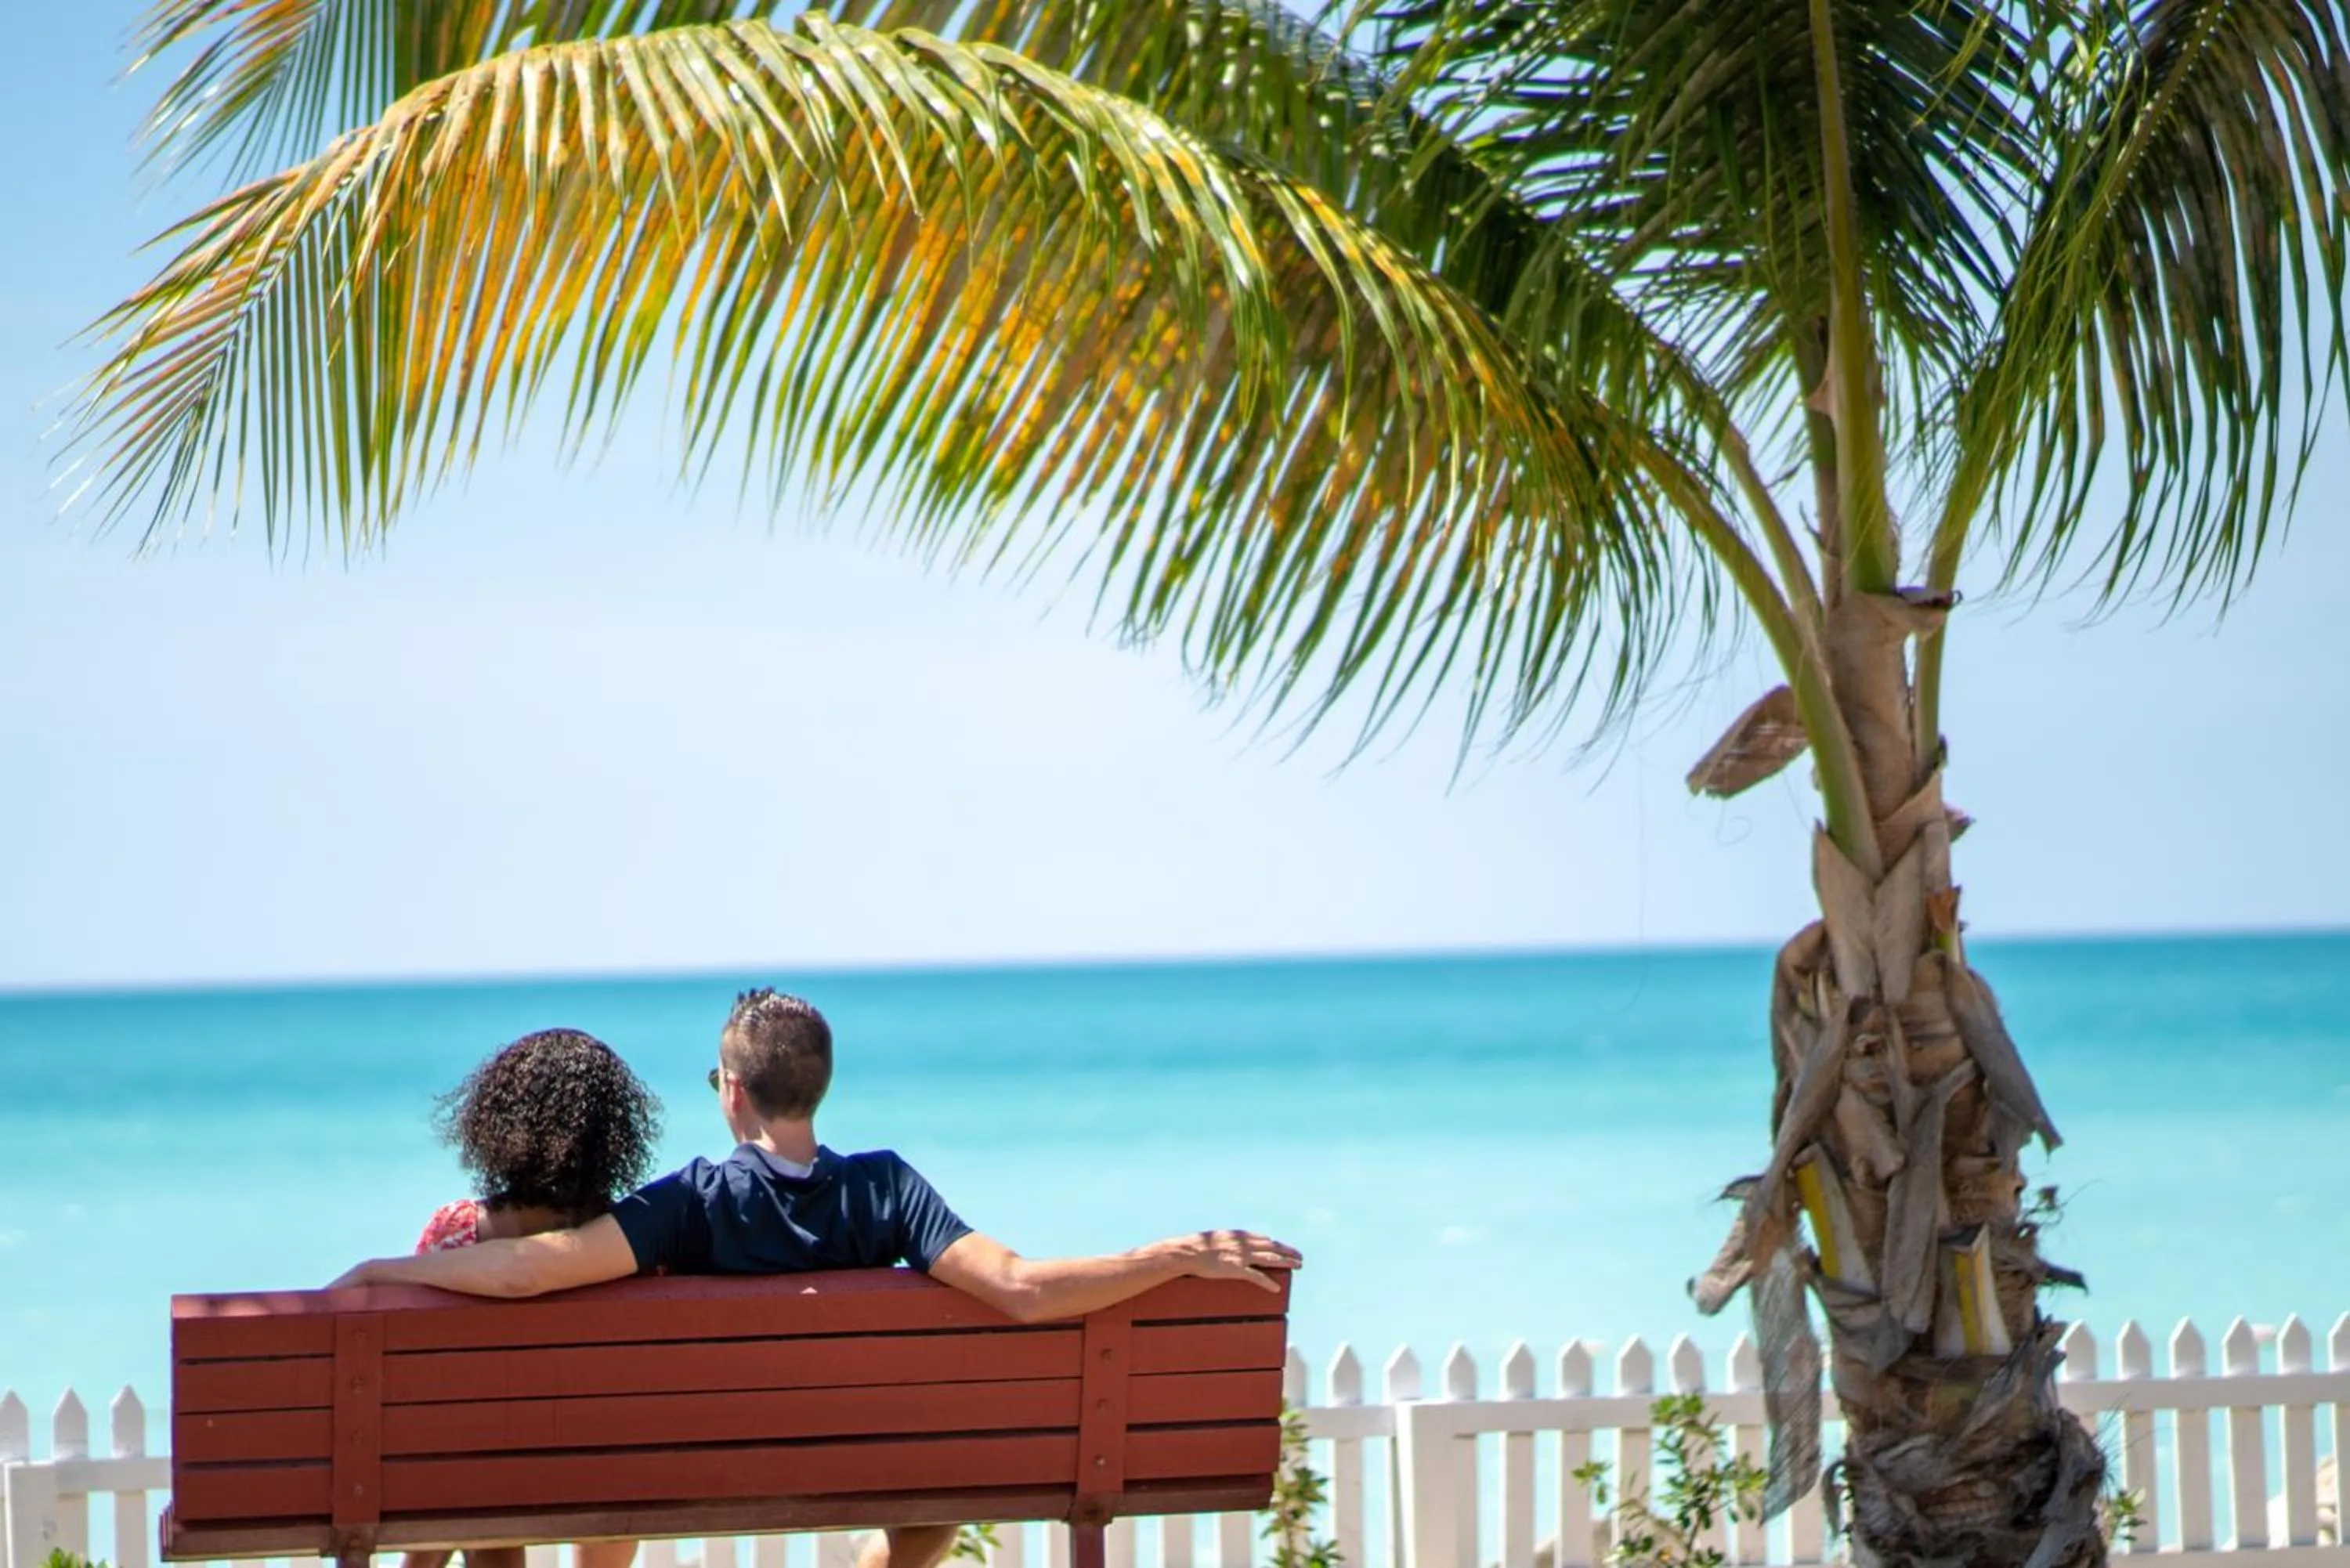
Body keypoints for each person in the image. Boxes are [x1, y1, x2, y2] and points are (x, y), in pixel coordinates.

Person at [332, 989, 1302, 1568]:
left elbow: (536, 1273)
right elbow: (1020, 1287)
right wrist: (1175, 1253)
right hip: (848, 1470)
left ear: (735, 1091)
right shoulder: (886, 1187)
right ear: (817, 1088)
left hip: (695, 1472)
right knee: (941, 1492)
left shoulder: (693, 1201)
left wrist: (389, 1270)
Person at [402, 1028, 663, 1568]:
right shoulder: (631, 1242)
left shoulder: (454, 1235)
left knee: (474, 1460)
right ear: (611, 1136)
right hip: (600, 1482)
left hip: (478, 1483)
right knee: (609, 1465)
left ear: (498, 1127)